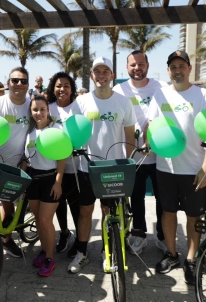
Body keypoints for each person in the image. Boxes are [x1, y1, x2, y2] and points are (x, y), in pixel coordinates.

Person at [147, 50, 206, 285]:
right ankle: (172, 254)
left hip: (194, 168)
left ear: (189, 69)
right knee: (168, 213)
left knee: (194, 216)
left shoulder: (203, 95)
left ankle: (192, 259)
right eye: (173, 67)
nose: (177, 71)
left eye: (181, 66)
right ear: (168, 71)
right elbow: (151, 126)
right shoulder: (160, 96)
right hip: (165, 168)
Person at [67, 57, 136, 273]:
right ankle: (82, 252)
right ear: (92, 76)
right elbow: (72, 134)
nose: (102, 75)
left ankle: (109, 252)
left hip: (113, 169)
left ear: (112, 75)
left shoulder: (123, 102)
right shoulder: (80, 102)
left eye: (106, 71)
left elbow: (130, 138)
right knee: (85, 211)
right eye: (97, 71)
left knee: (109, 212)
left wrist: (129, 165)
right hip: (87, 168)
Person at [112, 50, 167, 254]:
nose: (137, 68)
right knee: (136, 197)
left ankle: (162, 235)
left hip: (160, 156)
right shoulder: (119, 89)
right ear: (127, 67)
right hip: (132, 156)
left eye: (141, 64)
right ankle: (139, 234)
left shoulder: (161, 87)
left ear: (148, 65)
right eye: (133, 65)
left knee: (162, 198)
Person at [0, 67, 32, 260]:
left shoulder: (31, 106)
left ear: (28, 84)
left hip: (15, 166)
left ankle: (7, 240)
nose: (19, 84)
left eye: (23, 81)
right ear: (8, 82)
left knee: (8, 205)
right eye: (15, 80)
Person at [22, 96, 66, 276]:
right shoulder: (30, 131)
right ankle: (43, 250)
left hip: (50, 179)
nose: (38, 113)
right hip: (33, 179)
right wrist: (22, 179)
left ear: (48, 110)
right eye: (35, 110)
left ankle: (50, 258)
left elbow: (62, 157)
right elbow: (26, 159)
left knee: (46, 221)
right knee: (38, 220)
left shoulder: (56, 129)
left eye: (42, 109)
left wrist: (58, 182)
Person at [46, 72, 80, 254]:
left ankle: (79, 240)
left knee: (75, 205)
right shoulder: (48, 108)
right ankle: (64, 233)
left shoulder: (79, 107)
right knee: (58, 203)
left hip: (74, 166)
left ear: (72, 89)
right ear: (53, 88)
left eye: (66, 86)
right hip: (52, 166)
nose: (62, 89)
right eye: (59, 85)